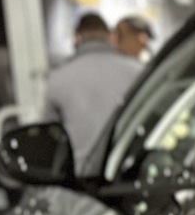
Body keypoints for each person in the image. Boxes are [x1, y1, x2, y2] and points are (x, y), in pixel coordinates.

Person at [42, 12, 141, 169]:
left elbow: (48, 137)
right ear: (110, 37)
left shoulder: (58, 77)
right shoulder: (137, 71)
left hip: (83, 175)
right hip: (131, 171)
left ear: (76, 39)